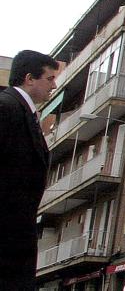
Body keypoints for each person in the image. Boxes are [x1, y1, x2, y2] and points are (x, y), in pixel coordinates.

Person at [0, 50, 59, 291]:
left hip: (15, 236)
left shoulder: (24, 113)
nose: (54, 85)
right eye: (50, 78)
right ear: (29, 78)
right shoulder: (7, 108)